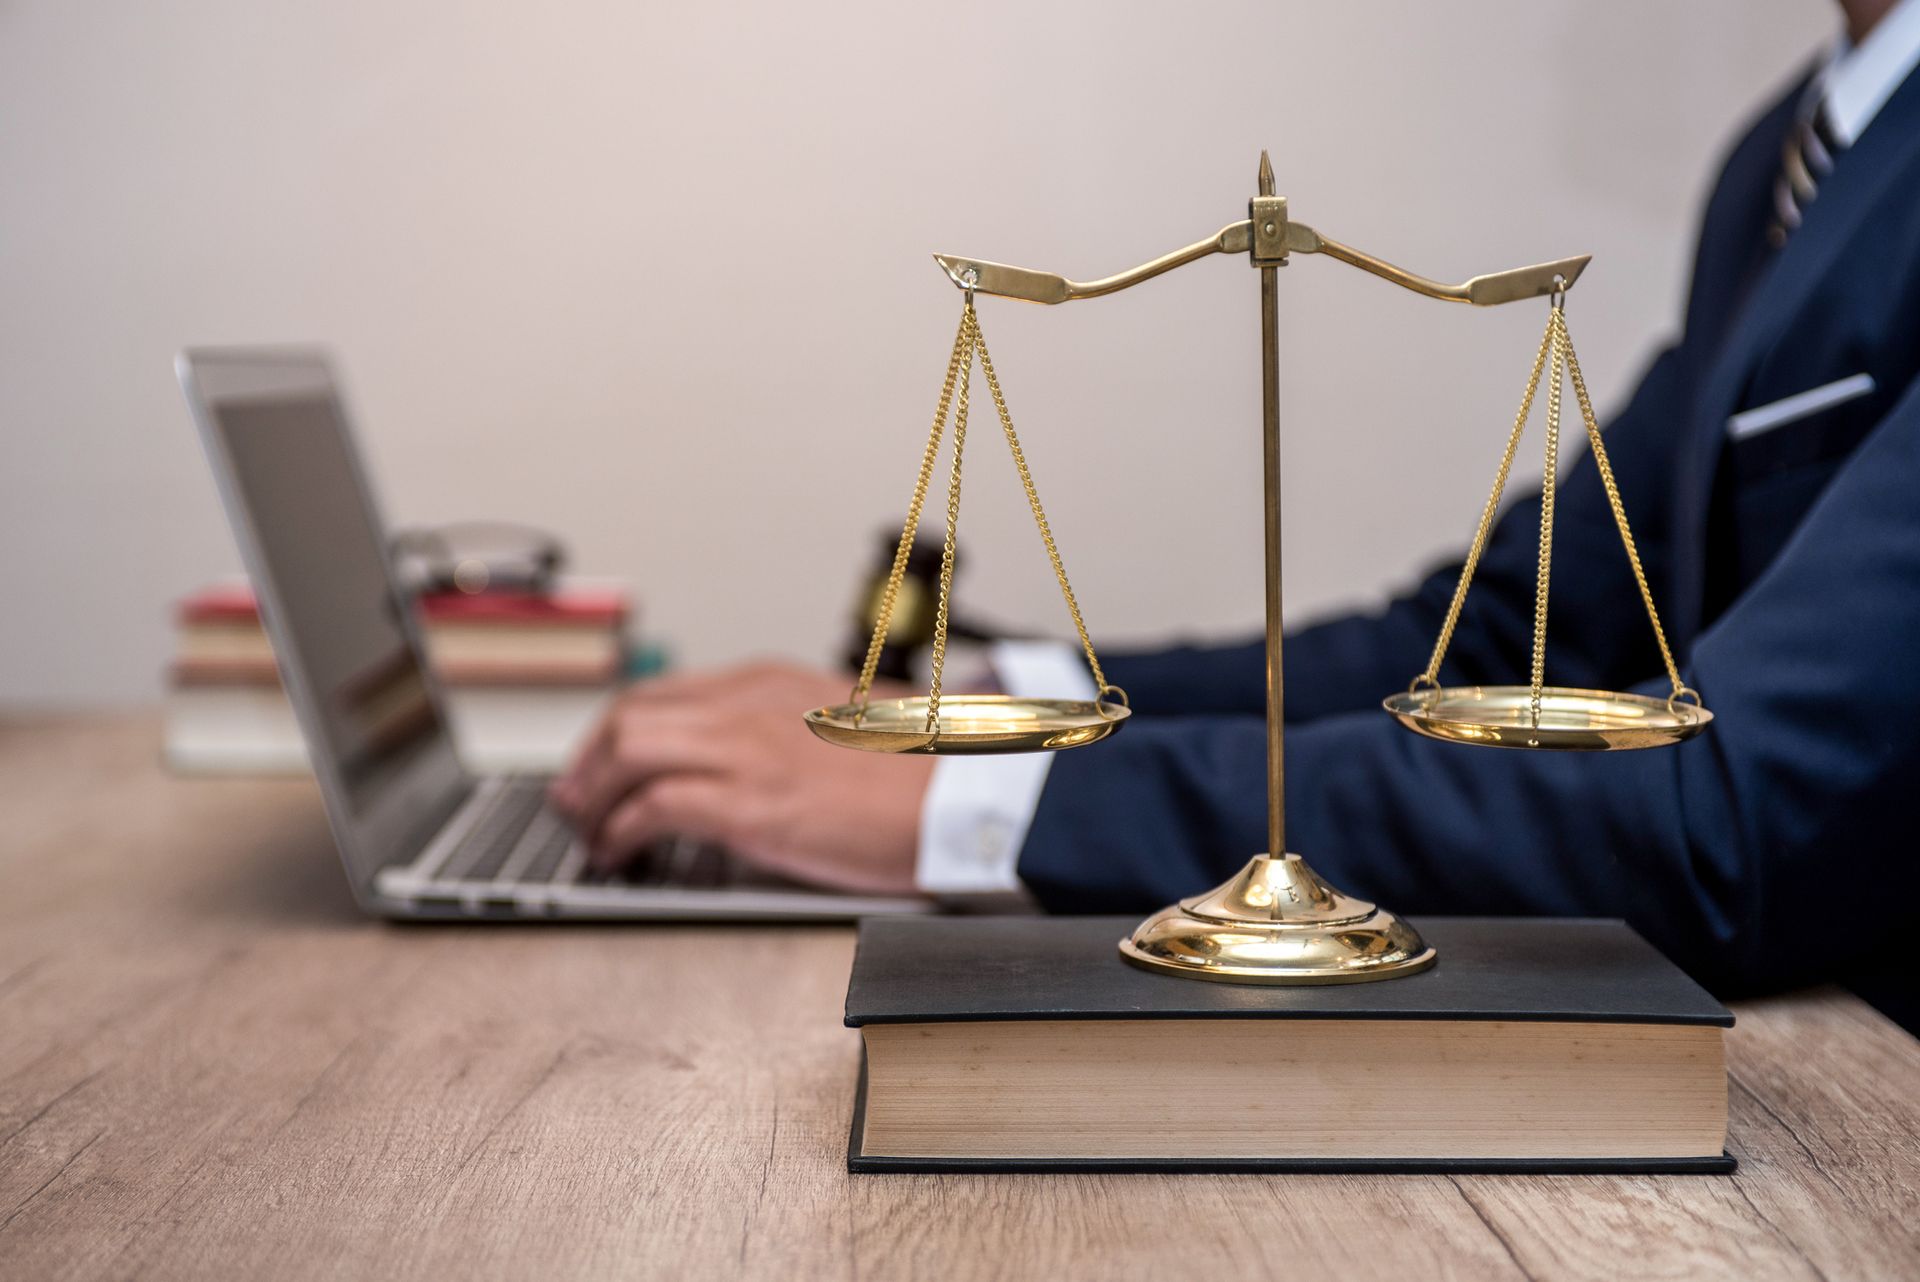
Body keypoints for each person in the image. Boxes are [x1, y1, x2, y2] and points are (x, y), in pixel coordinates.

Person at [552, 0, 1920, 1029]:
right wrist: (997, 700)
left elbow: (1733, 816)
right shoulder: (1788, 158)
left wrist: (984, 806)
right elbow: (1495, 634)